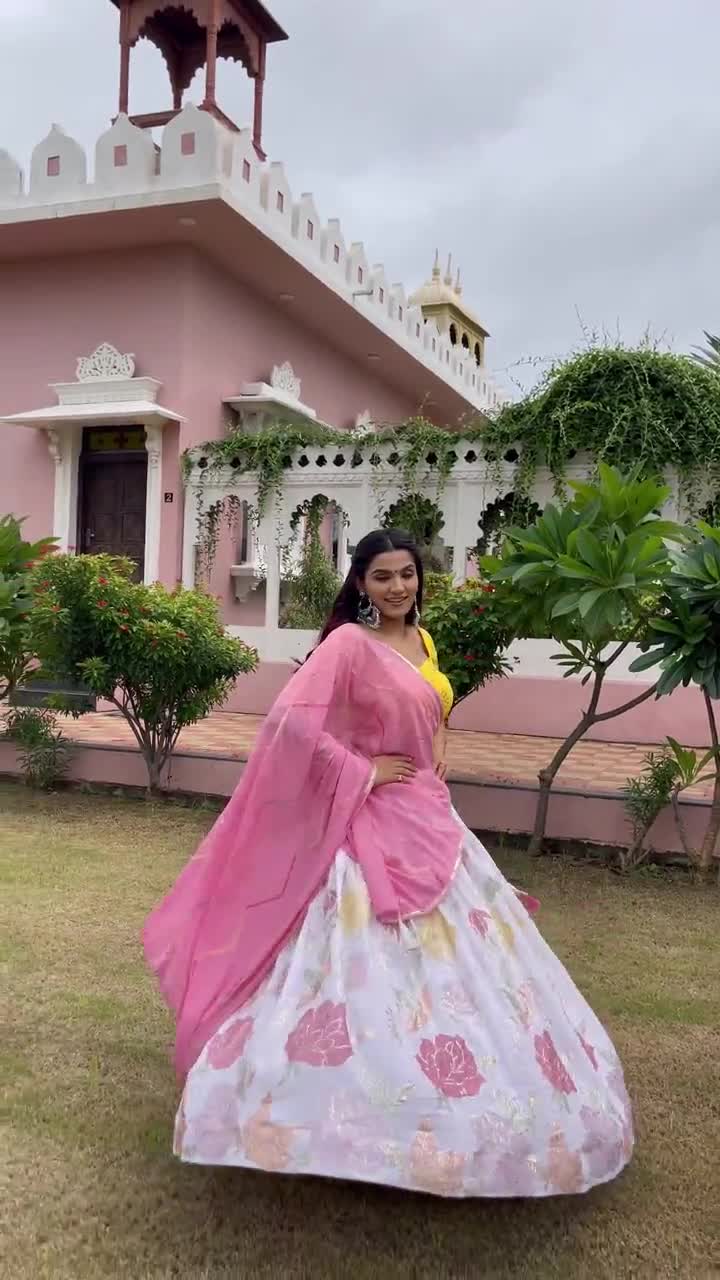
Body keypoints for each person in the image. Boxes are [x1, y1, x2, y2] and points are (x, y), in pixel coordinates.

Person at [144, 529, 633, 1198]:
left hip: (430, 815)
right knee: (353, 971)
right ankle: (323, 1110)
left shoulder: (423, 643)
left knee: (470, 975)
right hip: (368, 824)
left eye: (407, 574)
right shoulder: (348, 644)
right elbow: (291, 725)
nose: (398, 587)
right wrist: (361, 769)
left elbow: (432, 710)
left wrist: (435, 754)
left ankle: (454, 1110)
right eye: (382, 577)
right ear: (361, 584)